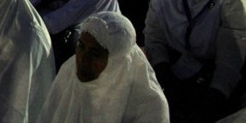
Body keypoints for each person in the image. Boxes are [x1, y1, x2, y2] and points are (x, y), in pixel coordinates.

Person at [145, 0, 246, 122]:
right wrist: (163, 71)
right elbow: (153, 36)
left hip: (210, 70)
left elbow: (231, 59)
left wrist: (215, 95)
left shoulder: (231, 2)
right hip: (171, 62)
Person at [39, 11, 169, 123]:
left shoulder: (149, 107)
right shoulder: (69, 72)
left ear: (117, 62)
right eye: (81, 46)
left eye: (95, 53)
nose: (83, 59)